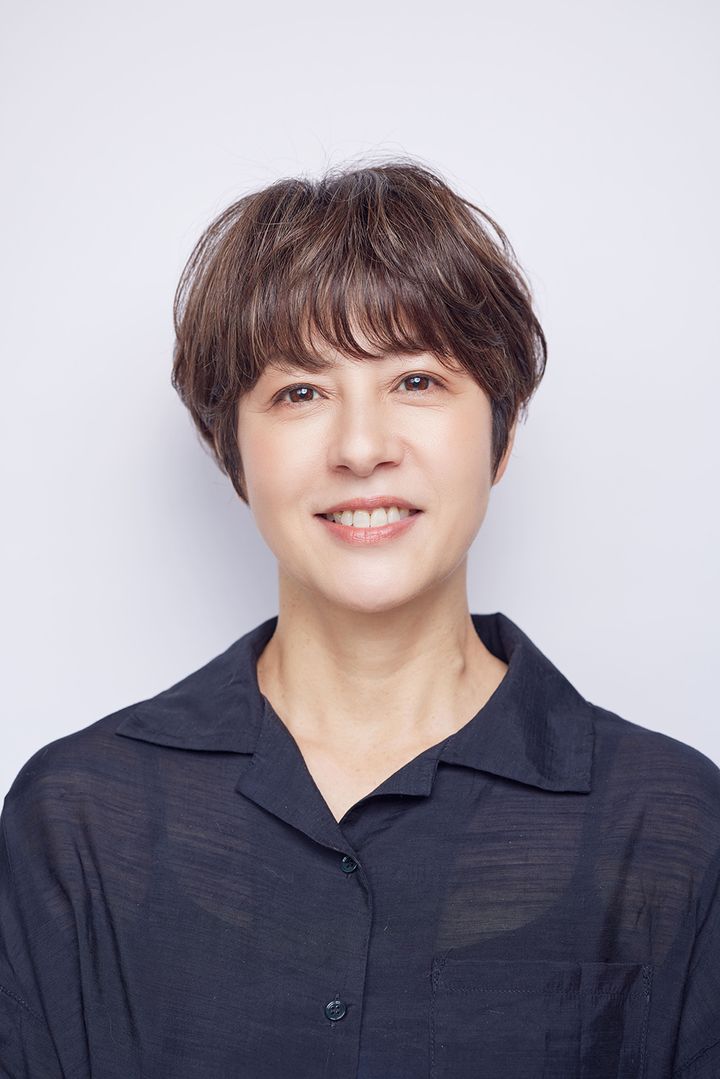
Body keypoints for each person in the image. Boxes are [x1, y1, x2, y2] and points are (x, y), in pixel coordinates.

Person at [1, 158, 718, 1079]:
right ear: (233, 450)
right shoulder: (78, 817)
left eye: (417, 380)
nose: (362, 447)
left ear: (500, 434)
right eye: (300, 392)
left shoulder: (670, 821)